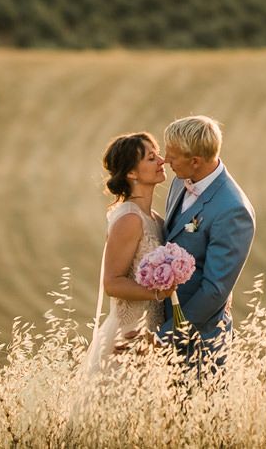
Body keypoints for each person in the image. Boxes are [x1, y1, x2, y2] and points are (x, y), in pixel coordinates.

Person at [157, 114, 256, 367]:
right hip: (163, 328)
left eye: (173, 156)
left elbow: (214, 291)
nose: (165, 160)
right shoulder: (181, 182)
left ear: (195, 161)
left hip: (200, 345)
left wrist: (162, 339)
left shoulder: (233, 210)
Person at [80, 131, 178, 379]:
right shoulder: (129, 219)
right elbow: (112, 283)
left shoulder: (154, 220)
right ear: (131, 173)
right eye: (150, 158)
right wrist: (158, 292)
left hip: (150, 334)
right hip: (126, 338)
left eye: (157, 155)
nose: (161, 161)